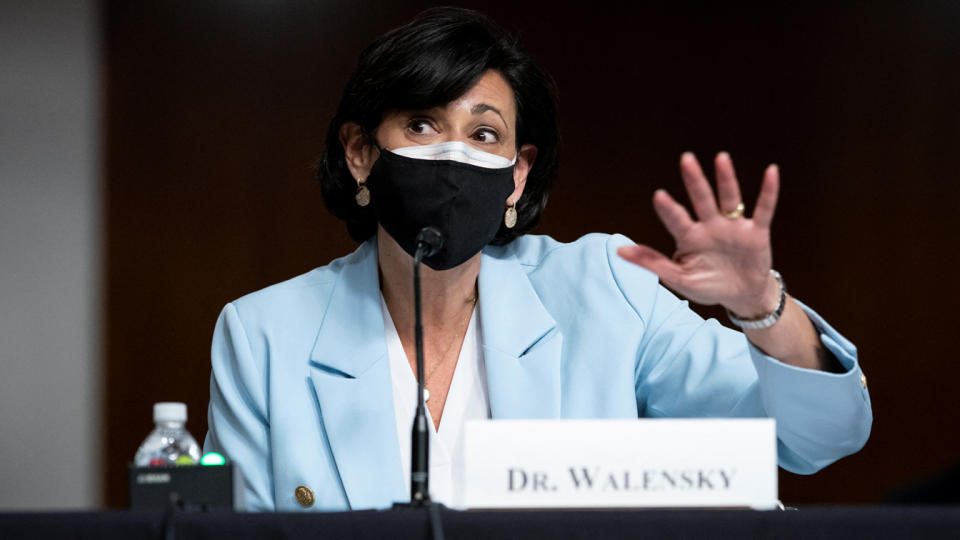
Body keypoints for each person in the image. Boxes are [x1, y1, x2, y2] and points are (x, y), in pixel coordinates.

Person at [204, 7, 872, 512]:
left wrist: (762, 309)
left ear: (517, 177)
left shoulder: (606, 290)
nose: (453, 155)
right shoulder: (262, 335)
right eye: (422, 125)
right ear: (359, 152)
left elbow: (816, 441)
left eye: (484, 133)